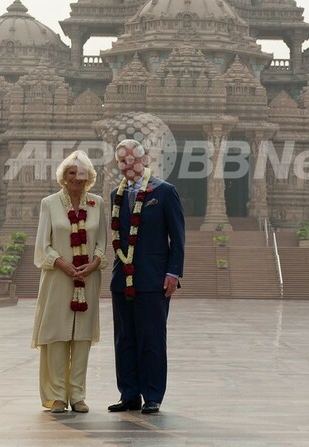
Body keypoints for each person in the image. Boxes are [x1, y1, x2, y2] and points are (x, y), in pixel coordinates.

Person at [107, 139, 185, 415]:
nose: (128, 165)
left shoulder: (164, 192)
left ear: (144, 159)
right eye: (122, 161)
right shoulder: (115, 195)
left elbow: (177, 237)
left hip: (154, 279)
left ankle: (152, 395)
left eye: (132, 159)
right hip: (122, 278)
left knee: (151, 338)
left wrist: (173, 272)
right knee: (124, 338)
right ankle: (129, 394)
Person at [31, 150, 107, 414]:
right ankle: (56, 396)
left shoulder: (97, 203)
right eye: (72, 173)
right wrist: (63, 264)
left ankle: (77, 395)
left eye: (81, 173)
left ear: (89, 177)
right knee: (56, 336)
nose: (76, 178)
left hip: (87, 278)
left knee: (82, 338)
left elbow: (102, 243)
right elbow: (43, 246)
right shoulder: (50, 203)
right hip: (58, 277)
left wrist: (94, 263)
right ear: (63, 176)